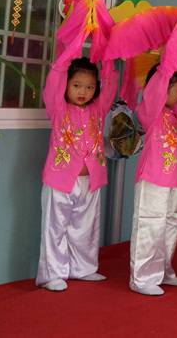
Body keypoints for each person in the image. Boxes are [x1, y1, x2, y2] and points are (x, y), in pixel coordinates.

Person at [36, 35, 118, 291]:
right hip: (60, 180)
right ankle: (52, 274)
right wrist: (78, 38)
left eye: (90, 87)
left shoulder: (98, 109)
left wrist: (105, 49)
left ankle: (83, 269)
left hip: (90, 180)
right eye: (77, 85)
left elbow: (110, 81)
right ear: (66, 85)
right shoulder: (57, 107)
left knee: (86, 228)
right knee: (55, 227)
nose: (83, 92)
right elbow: (57, 74)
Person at [129, 61, 177, 295]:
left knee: (170, 225)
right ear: (163, 88)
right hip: (153, 179)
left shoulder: (176, 112)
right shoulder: (150, 111)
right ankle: (142, 278)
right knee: (150, 225)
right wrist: (167, 64)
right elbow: (154, 91)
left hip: (175, 181)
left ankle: (162, 270)